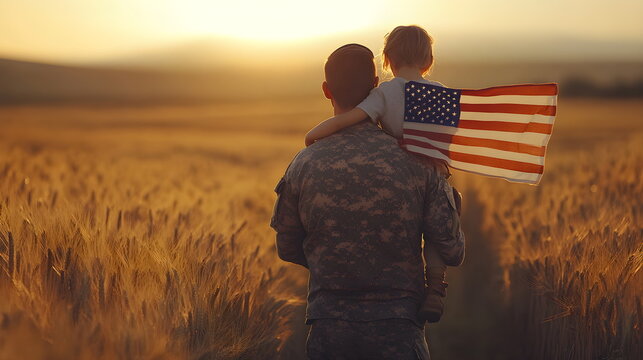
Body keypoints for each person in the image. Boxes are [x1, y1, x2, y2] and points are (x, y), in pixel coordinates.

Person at [270, 43, 465, 359]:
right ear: (376, 86)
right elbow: (452, 251)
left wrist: (338, 265)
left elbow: (287, 247)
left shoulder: (304, 164)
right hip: (400, 333)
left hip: (329, 332)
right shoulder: (419, 161)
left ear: (326, 90)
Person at [305, 25, 455, 323]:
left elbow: (351, 118)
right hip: (434, 173)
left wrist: (314, 135)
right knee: (438, 230)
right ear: (428, 60)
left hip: (333, 314)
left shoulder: (385, 93)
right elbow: (447, 136)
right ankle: (435, 287)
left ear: (387, 59)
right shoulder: (442, 93)